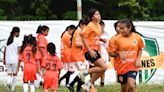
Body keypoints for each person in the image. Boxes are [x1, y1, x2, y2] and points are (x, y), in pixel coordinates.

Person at [108, 19, 144, 92]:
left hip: (132, 66)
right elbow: (110, 53)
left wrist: (138, 59)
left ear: (129, 28)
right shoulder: (115, 39)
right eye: (120, 28)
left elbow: (140, 48)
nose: (121, 30)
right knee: (124, 89)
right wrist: (118, 53)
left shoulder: (137, 37)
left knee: (131, 85)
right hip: (121, 67)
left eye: (123, 28)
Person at [80, 8, 107, 92]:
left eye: (99, 14)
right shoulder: (90, 25)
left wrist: (101, 40)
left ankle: (88, 84)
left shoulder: (98, 25)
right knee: (103, 67)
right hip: (90, 50)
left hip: (95, 49)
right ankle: (83, 73)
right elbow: (82, 35)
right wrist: (89, 50)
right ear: (92, 17)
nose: (99, 16)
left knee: (102, 68)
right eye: (96, 14)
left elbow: (94, 36)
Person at [66, 19, 89, 92]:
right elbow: (77, 43)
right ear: (81, 24)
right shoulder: (78, 32)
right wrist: (86, 44)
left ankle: (76, 88)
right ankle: (71, 84)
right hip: (77, 55)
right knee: (83, 72)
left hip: (78, 55)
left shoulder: (77, 31)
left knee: (82, 73)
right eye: (86, 26)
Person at [3, 27, 21, 92]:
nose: (19, 34)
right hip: (15, 60)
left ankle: (8, 83)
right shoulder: (18, 40)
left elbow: (4, 50)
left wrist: (4, 59)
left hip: (8, 59)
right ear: (16, 33)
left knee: (9, 74)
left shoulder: (7, 39)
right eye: (18, 32)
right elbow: (19, 51)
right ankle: (13, 89)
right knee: (15, 74)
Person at [98, 20, 109, 87]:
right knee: (95, 68)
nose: (101, 27)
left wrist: (109, 55)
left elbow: (107, 46)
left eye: (102, 26)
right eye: (100, 25)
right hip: (96, 53)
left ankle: (102, 82)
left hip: (104, 53)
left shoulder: (106, 34)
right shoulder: (95, 34)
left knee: (103, 69)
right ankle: (91, 82)